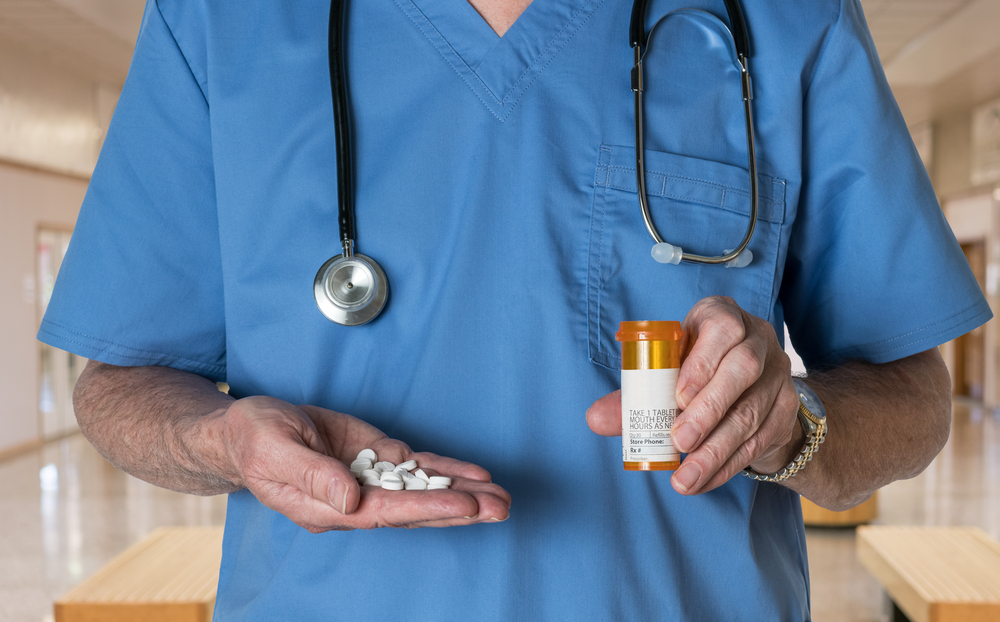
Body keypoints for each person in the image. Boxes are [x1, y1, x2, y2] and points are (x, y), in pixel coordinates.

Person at [40, 0, 991, 619]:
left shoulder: (784, 21)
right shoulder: (221, 22)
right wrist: (223, 443)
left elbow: (910, 394)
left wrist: (795, 430)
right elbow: (120, 382)